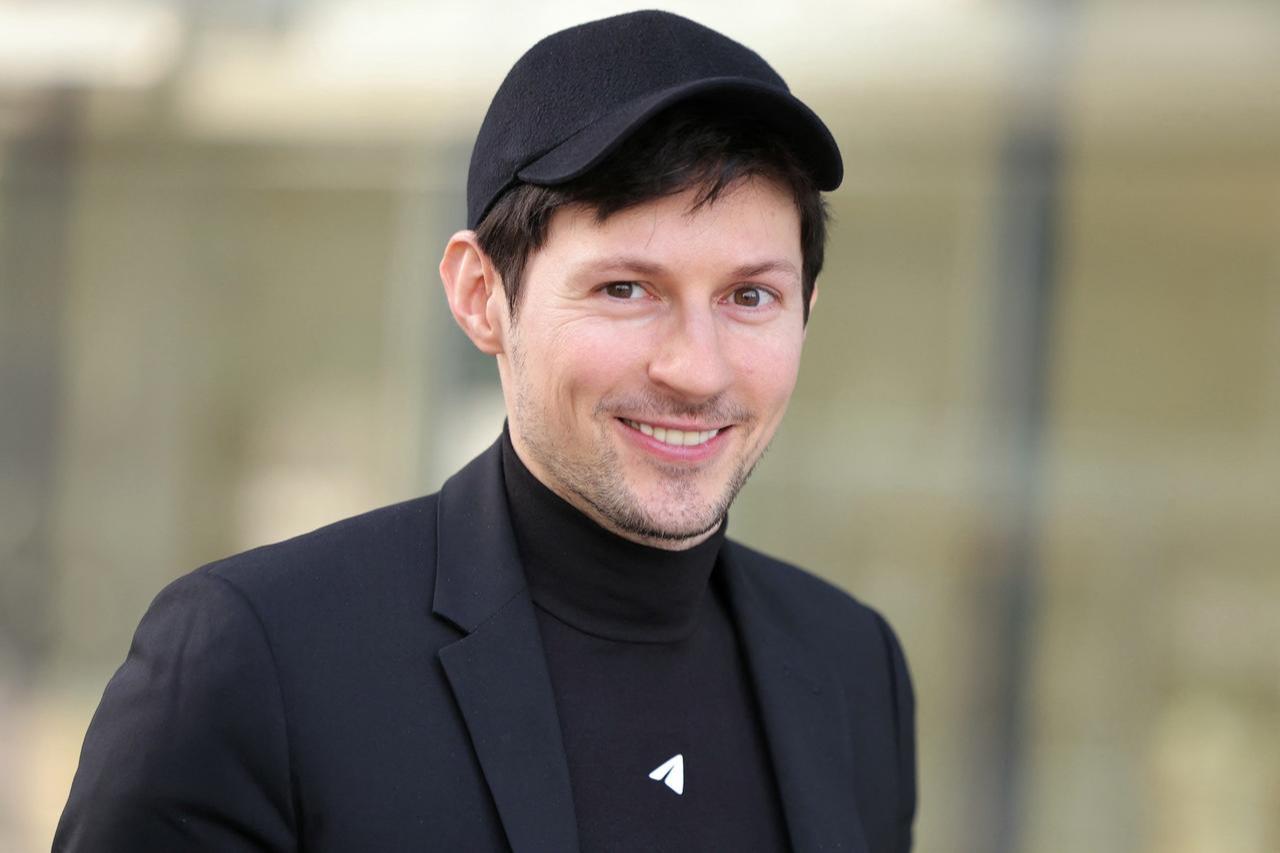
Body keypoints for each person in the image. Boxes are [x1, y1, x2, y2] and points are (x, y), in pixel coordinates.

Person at [55, 10, 916, 853]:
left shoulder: (854, 667)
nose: (696, 369)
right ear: (479, 296)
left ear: (807, 307)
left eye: (750, 296)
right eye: (625, 288)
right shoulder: (259, 660)